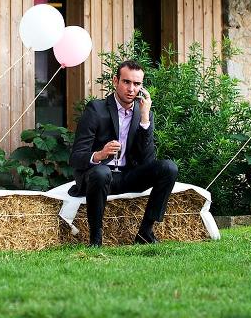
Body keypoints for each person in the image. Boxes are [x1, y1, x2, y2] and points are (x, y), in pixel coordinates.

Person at [68, 60, 178, 247]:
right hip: (99, 178)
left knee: (169, 168)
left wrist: (144, 119)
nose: (131, 89)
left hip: (128, 176)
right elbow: (76, 157)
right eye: (126, 82)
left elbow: (148, 160)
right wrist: (100, 155)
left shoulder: (143, 112)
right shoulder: (96, 109)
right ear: (115, 81)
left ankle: (145, 232)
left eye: (137, 84)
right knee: (102, 172)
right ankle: (96, 238)